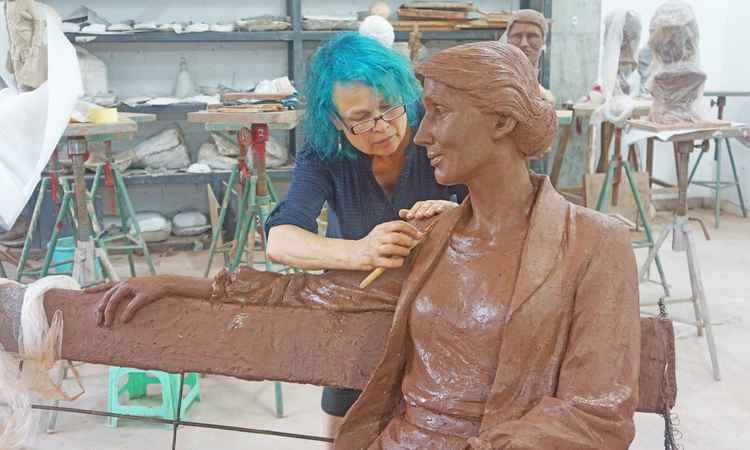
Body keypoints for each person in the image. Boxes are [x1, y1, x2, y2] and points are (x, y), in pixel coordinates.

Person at [92, 41, 640, 449]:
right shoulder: (360, 182)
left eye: (420, 112)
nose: (410, 132)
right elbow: (305, 282)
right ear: (334, 123)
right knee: (342, 402)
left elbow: (597, 415)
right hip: (390, 399)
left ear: (499, 120)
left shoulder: (591, 244)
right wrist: (176, 284)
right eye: (361, 120)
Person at [263, 33, 466, 441]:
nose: (383, 127)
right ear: (335, 121)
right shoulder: (324, 151)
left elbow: (502, 208)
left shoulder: (437, 127)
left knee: (442, 414)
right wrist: (360, 251)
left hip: (443, 298)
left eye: (390, 107)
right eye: (361, 118)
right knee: (345, 419)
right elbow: (280, 240)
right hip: (360, 300)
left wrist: (459, 215)